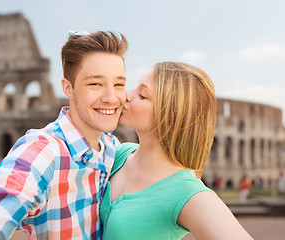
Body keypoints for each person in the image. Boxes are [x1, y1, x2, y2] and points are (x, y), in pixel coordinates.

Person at [0, 31, 128, 240]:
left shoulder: (112, 147)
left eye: (119, 84)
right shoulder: (43, 151)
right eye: (95, 84)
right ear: (68, 88)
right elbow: (1, 205)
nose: (112, 98)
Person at [100, 62, 253, 240]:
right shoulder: (119, 154)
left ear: (171, 117)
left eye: (142, 95)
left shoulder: (186, 193)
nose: (126, 96)